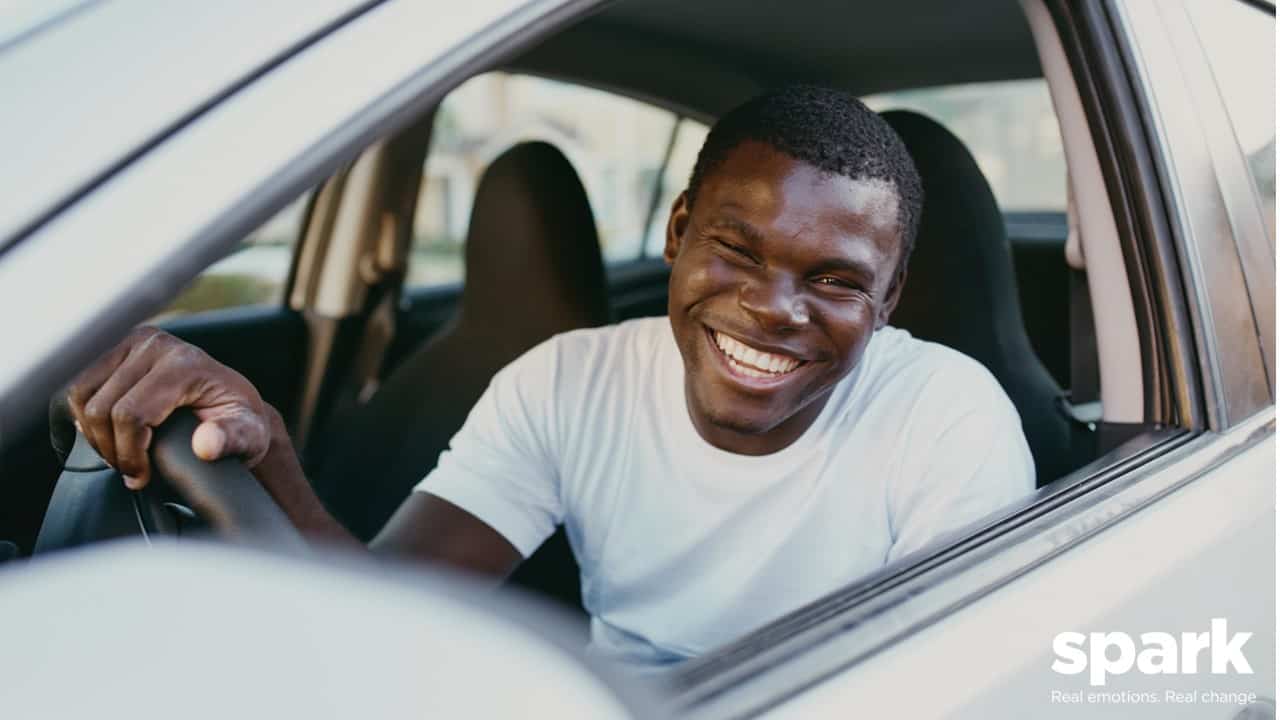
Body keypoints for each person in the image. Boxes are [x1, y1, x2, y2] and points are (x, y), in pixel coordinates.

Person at [67, 85, 1033, 665]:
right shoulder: (566, 383)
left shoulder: (948, 422)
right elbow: (386, 610)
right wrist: (270, 447)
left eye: (834, 281)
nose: (775, 311)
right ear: (677, 229)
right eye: (736, 252)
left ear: (891, 297)